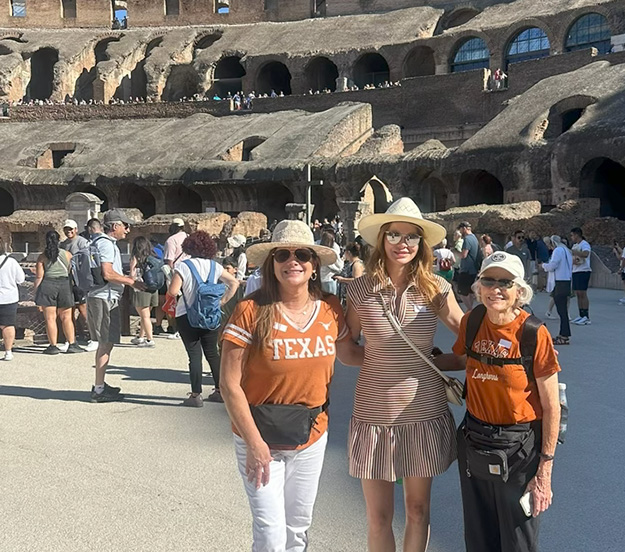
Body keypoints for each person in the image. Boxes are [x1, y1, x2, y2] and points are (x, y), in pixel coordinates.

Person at [219, 220, 363, 552]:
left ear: (314, 266)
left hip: (311, 434)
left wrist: (403, 359)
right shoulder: (250, 309)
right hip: (259, 436)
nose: (292, 261)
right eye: (282, 254)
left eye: (302, 254)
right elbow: (229, 384)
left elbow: (351, 355)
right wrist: (255, 444)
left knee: (297, 531)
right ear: (272, 264)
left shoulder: (330, 308)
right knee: (270, 536)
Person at [344, 198, 464, 552]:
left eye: (412, 237)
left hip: (422, 411)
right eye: (394, 234)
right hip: (373, 411)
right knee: (378, 517)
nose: (403, 244)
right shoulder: (360, 290)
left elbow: (471, 337)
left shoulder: (436, 289)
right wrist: (382, 360)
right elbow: (347, 349)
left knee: (416, 509)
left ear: (422, 244)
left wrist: (438, 363)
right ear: (381, 240)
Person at [446, 252, 561, 552]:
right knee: (479, 534)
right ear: (478, 286)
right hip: (475, 440)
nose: (495, 289)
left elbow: (552, 406)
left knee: (516, 540)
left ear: (519, 291)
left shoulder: (533, 333)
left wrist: (545, 471)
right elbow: (461, 357)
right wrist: (415, 359)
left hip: (519, 450)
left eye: (505, 282)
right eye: (488, 280)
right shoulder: (472, 321)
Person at [168, 231, 239, 407]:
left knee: (194, 355)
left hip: (186, 315)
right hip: (211, 314)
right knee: (213, 354)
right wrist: (221, 302)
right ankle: (219, 391)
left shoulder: (184, 266)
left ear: (188, 247)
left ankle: (195, 395)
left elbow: (173, 291)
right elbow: (234, 283)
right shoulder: (215, 266)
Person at [88, 210, 146, 403]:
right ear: (114, 226)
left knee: (106, 342)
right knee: (106, 342)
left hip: (100, 296)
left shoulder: (96, 242)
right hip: (106, 297)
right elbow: (108, 273)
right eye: (125, 225)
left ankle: (100, 384)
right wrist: (131, 281)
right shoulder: (105, 244)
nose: (128, 230)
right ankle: (98, 389)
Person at [33, 230, 85, 355]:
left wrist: (36, 294)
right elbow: (72, 272)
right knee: (66, 317)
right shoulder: (67, 254)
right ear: (58, 240)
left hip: (48, 285)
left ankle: (53, 346)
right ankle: (72, 343)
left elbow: (39, 277)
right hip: (64, 285)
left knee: (50, 318)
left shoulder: (42, 257)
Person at [60, 219, 90, 344]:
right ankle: (77, 334)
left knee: (83, 309)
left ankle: (92, 334)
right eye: (66, 229)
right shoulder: (62, 245)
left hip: (79, 280)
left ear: (76, 229)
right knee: (69, 309)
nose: (69, 231)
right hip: (67, 281)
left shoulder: (82, 242)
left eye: (71, 229)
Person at [158, 218, 189, 338]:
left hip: (176, 274)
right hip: (190, 273)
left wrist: (170, 278)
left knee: (172, 302)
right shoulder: (189, 237)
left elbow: (169, 261)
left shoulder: (171, 240)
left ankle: (175, 328)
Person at [542, 235, 572, 345]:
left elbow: (553, 265)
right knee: (562, 310)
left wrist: (544, 266)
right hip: (566, 281)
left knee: (562, 311)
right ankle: (562, 334)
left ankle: (564, 336)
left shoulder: (558, 250)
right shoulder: (566, 250)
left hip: (560, 282)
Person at [129, 236, 158, 347]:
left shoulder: (136, 257)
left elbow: (132, 274)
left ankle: (150, 339)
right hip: (153, 288)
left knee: (145, 316)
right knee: (146, 314)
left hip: (140, 288)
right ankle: (141, 337)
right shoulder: (152, 257)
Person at [0, 242, 26, 361]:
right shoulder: (11, 262)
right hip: (9, 297)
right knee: (8, 325)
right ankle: (8, 351)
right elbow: (20, 279)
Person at [569, 228, 592, 325]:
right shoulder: (575, 245)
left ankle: (586, 316)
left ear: (577, 235)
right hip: (576, 270)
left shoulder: (584, 244)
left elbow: (586, 254)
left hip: (584, 271)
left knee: (583, 293)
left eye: (572, 235)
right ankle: (581, 314)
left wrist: (575, 252)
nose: (571, 237)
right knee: (578, 294)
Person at [456, 221, 480, 311]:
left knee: (462, 292)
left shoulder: (467, 239)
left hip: (466, 269)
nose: (460, 232)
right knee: (469, 292)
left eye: (461, 229)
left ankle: (470, 309)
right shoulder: (475, 238)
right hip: (473, 269)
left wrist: (455, 251)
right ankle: (470, 309)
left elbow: (463, 255)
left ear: (464, 229)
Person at [333, 241, 366, 306]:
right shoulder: (349, 263)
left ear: (348, 253)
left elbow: (357, 280)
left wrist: (342, 279)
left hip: (352, 297)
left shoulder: (357, 264)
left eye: (345, 251)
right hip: (346, 296)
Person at [318, 230, 343, 295]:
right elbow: (339, 267)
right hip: (329, 280)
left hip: (319, 280)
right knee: (331, 302)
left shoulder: (318, 251)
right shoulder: (332, 252)